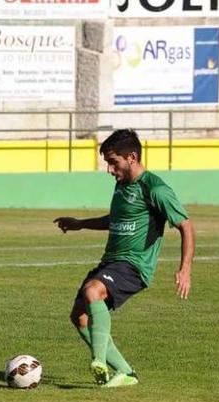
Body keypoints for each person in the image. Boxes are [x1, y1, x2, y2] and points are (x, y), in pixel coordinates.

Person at [54, 129, 195, 387]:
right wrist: (80, 224)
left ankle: (98, 360)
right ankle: (126, 373)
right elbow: (115, 220)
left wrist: (184, 269)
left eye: (113, 162)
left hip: (134, 265)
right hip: (112, 261)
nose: (109, 169)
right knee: (79, 317)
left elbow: (185, 225)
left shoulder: (155, 188)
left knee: (93, 291)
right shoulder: (121, 185)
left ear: (131, 157)